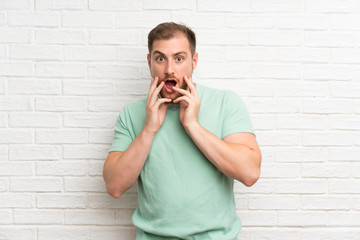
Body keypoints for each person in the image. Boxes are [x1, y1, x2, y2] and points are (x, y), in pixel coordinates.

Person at [103, 22, 262, 240]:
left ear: (194, 61)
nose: (169, 69)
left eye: (179, 58)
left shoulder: (226, 103)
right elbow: (114, 186)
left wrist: (193, 126)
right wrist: (149, 130)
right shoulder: (131, 114)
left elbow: (250, 173)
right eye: (160, 58)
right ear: (149, 62)